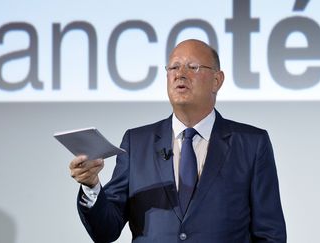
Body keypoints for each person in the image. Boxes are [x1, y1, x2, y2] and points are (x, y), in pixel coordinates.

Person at [69, 39, 286, 242]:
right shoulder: (136, 143)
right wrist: (91, 186)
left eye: (193, 67)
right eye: (173, 67)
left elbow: (270, 233)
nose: (180, 75)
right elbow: (106, 230)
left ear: (216, 81)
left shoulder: (251, 143)